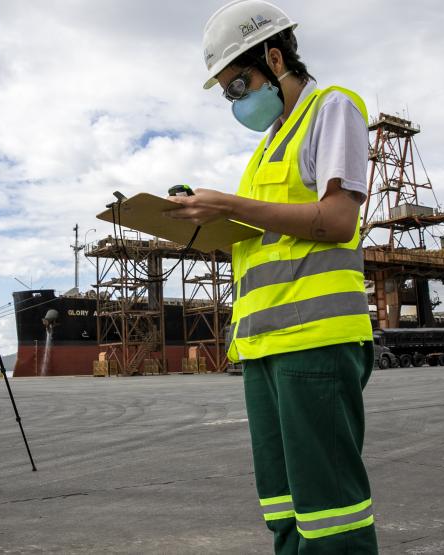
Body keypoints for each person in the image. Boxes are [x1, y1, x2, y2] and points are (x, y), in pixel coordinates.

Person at [168, 1, 378, 553]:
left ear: (275, 58)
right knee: (285, 508)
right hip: (263, 346)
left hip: (314, 341)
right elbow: (272, 236)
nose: (236, 102)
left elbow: (336, 220)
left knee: (329, 512)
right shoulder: (266, 150)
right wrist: (212, 224)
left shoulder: (332, 109)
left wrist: (232, 204)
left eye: (238, 86)